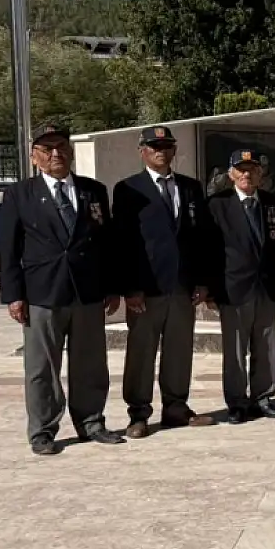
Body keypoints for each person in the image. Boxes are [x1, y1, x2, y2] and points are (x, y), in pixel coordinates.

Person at [0, 125, 125, 455]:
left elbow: (106, 244)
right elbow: (9, 250)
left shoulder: (93, 191)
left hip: (87, 292)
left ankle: (91, 422)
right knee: (42, 367)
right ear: (34, 156)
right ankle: (42, 429)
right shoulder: (20, 194)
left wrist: (111, 287)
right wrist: (14, 295)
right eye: (47, 148)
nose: (56, 154)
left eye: (61, 147)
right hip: (42, 293)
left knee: (91, 363)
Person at [111, 126, 214, 437]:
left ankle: (176, 407)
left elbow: (202, 238)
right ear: (142, 150)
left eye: (166, 146)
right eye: (154, 146)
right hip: (147, 288)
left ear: (174, 150)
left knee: (179, 350)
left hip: (181, 287)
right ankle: (139, 413)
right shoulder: (128, 189)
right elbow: (123, 242)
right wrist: (129, 287)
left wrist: (202, 280)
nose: (161, 151)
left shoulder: (191, 188)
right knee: (142, 352)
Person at [207, 148, 275, 423]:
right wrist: (211, 288)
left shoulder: (272, 203)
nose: (247, 174)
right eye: (241, 169)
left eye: (252, 169)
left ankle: (263, 397)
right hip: (234, 289)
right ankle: (237, 402)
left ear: (260, 173)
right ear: (231, 174)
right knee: (235, 350)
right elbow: (210, 250)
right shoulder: (217, 205)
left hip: (266, 288)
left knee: (267, 346)